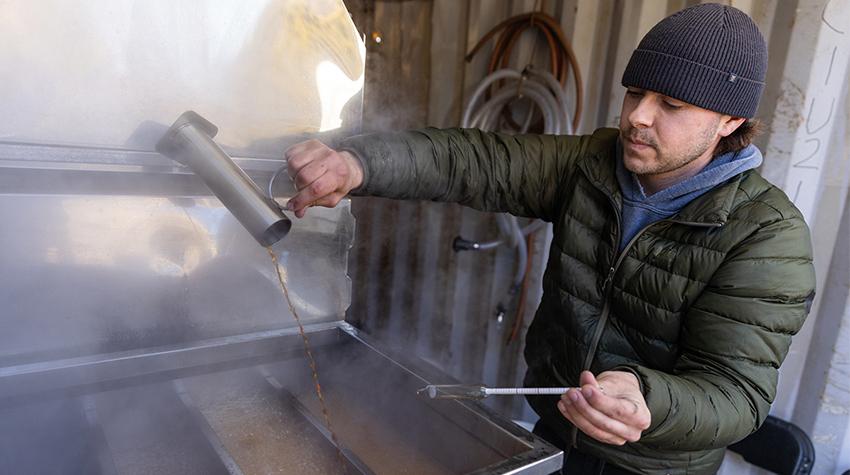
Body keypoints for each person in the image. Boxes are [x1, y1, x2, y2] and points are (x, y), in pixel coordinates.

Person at [283, 4, 816, 474]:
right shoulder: (592, 165)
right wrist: (357, 162)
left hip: (655, 466)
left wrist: (650, 398)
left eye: (671, 106)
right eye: (635, 92)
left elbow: (736, 392)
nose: (637, 117)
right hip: (555, 433)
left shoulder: (767, 238)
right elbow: (476, 162)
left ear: (730, 122)